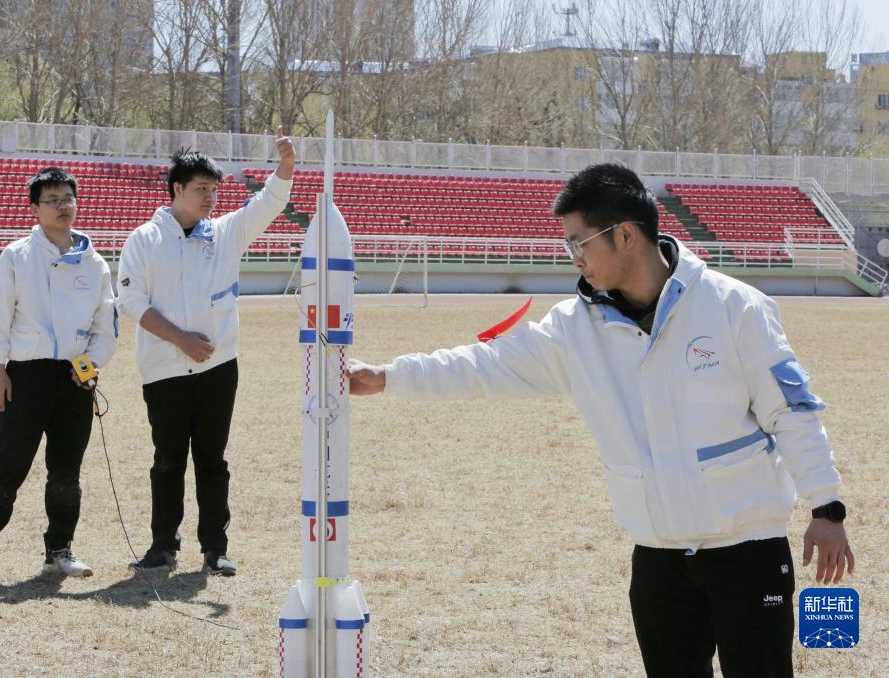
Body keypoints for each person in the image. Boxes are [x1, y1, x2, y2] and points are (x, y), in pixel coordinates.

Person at [347, 163, 856, 677]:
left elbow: (791, 411)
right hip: (658, 557)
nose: (574, 257)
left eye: (579, 242)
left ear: (626, 235)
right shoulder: (573, 329)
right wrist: (387, 377)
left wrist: (827, 507)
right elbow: (484, 365)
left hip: (749, 550)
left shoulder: (736, 307)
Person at [117, 129, 295, 575]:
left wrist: (286, 168)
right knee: (167, 461)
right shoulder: (144, 239)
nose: (210, 198)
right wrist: (181, 339)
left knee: (213, 461)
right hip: (163, 370)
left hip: (219, 367)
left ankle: (216, 548)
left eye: (214, 190)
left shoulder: (226, 232)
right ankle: (162, 546)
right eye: (201, 189)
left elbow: (268, 204)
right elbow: (131, 302)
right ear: (177, 188)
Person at [0, 167, 117, 585]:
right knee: (6, 468)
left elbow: (106, 326)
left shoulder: (95, 263)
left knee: (66, 472)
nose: (62, 206)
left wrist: (91, 365)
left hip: (76, 378)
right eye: (52, 200)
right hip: (25, 376)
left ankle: (59, 552)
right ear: (35, 208)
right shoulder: (17, 256)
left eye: (67, 198)